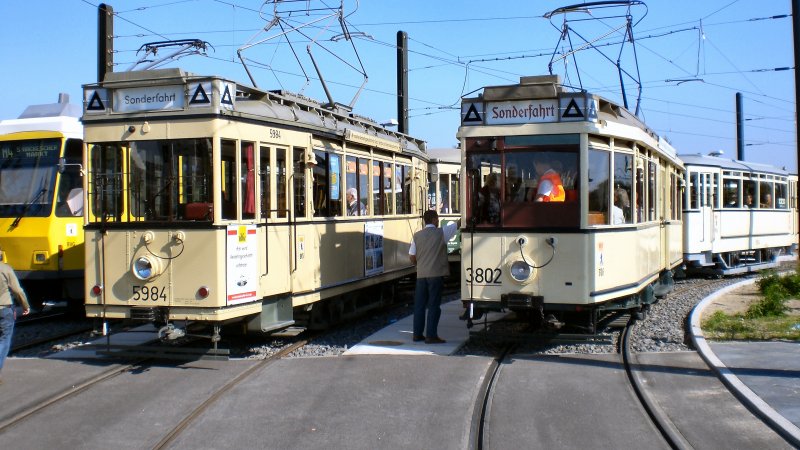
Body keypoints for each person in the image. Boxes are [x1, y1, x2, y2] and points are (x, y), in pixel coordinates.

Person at [409, 210, 459, 344]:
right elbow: (458, 224)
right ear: (434, 219)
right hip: (436, 275)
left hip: (421, 275)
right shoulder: (442, 232)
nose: (438, 221)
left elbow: (412, 256)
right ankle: (431, 335)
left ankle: (417, 334)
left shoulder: (417, 235)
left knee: (419, 305)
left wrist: (419, 265)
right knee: (433, 305)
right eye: (437, 219)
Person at [0, 252, 30, 382]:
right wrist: (25, 305)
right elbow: (17, 290)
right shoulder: (5, 269)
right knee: (4, 339)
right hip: (4, 309)